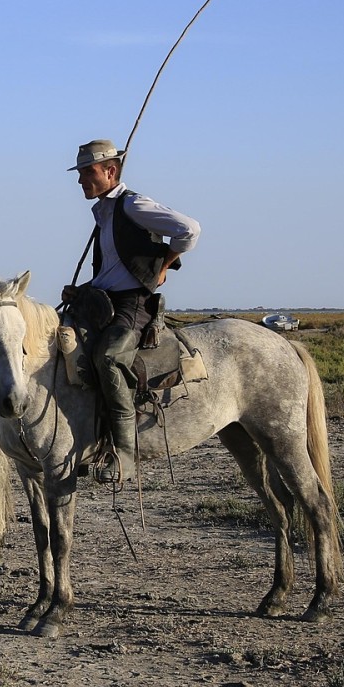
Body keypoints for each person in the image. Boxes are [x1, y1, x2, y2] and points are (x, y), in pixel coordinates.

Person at [63, 140, 200, 483]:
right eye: (79, 173)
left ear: (110, 171)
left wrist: (165, 264)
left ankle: (125, 454)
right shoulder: (103, 212)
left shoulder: (133, 205)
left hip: (133, 303)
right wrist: (83, 290)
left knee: (109, 357)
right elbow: (113, 268)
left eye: (87, 172)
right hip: (104, 299)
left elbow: (190, 229)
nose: (81, 180)